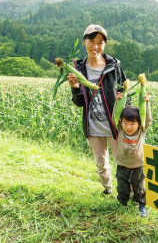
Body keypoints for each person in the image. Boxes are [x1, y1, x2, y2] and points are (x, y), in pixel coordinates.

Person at [68, 24, 127, 195]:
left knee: (121, 161)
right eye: (92, 41)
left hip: (114, 124)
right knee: (101, 162)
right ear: (84, 42)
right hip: (93, 125)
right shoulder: (78, 69)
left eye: (100, 42)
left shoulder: (114, 65)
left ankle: (125, 192)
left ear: (104, 45)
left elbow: (125, 91)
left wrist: (124, 106)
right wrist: (75, 87)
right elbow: (79, 103)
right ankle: (108, 189)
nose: (95, 46)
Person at [112, 92, 152, 217]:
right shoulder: (120, 130)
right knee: (122, 187)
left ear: (139, 124)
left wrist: (147, 103)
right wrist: (117, 102)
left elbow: (148, 119)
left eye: (132, 124)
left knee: (139, 188)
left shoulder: (141, 131)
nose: (128, 127)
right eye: (125, 123)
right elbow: (115, 116)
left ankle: (141, 205)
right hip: (122, 166)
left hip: (137, 167)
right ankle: (123, 203)